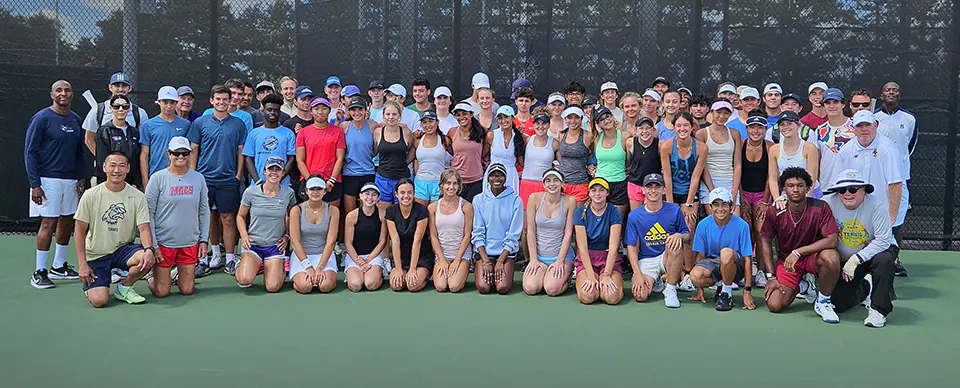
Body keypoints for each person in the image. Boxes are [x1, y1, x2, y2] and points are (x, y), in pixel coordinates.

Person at [759, 167, 842, 323]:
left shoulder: (820, 207)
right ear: (784, 189)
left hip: (812, 258)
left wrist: (798, 252)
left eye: (800, 185)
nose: (795, 190)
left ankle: (823, 302)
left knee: (831, 257)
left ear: (808, 188)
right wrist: (770, 276)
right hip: (788, 262)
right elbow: (765, 239)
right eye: (790, 186)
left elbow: (832, 240)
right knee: (774, 304)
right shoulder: (774, 210)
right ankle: (804, 286)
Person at [74, 152, 155, 307]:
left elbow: (144, 228)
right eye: (112, 165)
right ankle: (96, 285)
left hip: (123, 250)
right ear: (104, 167)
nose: (117, 170)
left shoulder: (138, 196)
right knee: (99, 301)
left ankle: (124, 287)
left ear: (128, 169)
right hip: (96, 254)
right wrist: (82, 264)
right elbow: (79, 231)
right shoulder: (90, 195)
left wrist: (149, 250)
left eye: (121, 166)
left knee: (147, 258)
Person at [25, 80, 85, 289]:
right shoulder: (42, 118)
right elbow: (30, 152)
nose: (63, 93)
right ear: (52, 94)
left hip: (71, 180)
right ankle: (39, 271)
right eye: (58, 90)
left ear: (72, 94)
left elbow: (79, 152)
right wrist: (35, 184)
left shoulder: (75, 119)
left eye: (67, 90)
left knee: (67, 221)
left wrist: (81, 177)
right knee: (48, 223)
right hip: (47, 180)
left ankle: (58, 266)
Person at [822, 169, 898, 327]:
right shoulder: (828, 203)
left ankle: (879, 310)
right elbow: (807, 208)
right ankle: (866, 286)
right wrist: (784, 199)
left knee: (884, 260)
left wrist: (856, 260)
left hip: (875, 253)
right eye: (842, 190)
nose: (847, 194)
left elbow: (883, 240)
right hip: (846, 259)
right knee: (839, 304)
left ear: (863, 190)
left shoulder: (877, 206)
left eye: (852, 189)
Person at [187, 85, 247, 277]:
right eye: (218, 99)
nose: (221, 102)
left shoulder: (238, 124)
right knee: (208, 218)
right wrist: (194, 175)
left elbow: (241, 151)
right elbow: (194, 149)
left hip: (228, 179)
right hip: (204, 179)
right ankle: (207, 259)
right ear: (212, 101)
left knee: (228, 218)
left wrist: (238, 175)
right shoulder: (200, 123)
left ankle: (230, 259)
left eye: (225, 99)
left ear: (230, 101)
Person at [144, 137, 209, 298]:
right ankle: (152, 277)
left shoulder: (198, 178)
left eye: (184, 153)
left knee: (187, 290)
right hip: (164, 241)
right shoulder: (157, 178)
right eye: (176, 153)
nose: (180, 156)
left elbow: (204, 210)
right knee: (162, 292)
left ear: (189, 154)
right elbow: (148, 213)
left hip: (189, 241)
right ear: (169, 154)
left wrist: (203, 240)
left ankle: (175, 276)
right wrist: (154, 245)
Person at [625, 173, 689, 308]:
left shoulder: (674, 210)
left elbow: (687, 236)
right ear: (643, 190)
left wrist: (679, 236)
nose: (653, 190)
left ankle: (670, 289)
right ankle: (656, 281)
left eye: (657, 187)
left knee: (675, 243)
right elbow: (631, 247)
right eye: (649, 187)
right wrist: (637, 273)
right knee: (640, 295)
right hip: (647, 259)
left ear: (664, 190)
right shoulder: (634, 215)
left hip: (667, 256)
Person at [235, 157, 298, 292]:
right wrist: (244, 236)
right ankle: (247, 263)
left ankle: (277, 266)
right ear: (264, 171)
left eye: (277, 170)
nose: (274, 173)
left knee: (272, 287)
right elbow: (240, 216)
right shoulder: (250, 192)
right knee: (244, 280)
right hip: (253, 245)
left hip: (275, 246)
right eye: (270, 169)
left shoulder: (289, 193)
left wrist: (287, 235)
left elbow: (292, 216)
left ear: (283, 173)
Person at [689, 187, 756, 311]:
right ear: (710, 207)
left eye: (724, 204)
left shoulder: (742, 225)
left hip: (736, 265)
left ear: (731, 207)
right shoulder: (703, 225)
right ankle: (721, 285)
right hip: (714, 263)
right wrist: (699, 289)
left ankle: (726, 294)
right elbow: (700, 256)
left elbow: (748, 259)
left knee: (726, 253)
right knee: (695, 276)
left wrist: (747, 291)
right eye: (716, 204)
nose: (720, 209)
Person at [660, 112, 707, 287]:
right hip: (672, 192)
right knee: (670, 231)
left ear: (692, 127)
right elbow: (667, 177)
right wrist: (671, 205)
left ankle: (688, 272)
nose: (682, 129)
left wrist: (688, 204)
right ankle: (671, 271)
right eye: (678, 125)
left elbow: (696, 177)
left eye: (686, 125)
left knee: (688, 230)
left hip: (690, 194)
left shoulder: (701, 148)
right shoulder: (666, 146)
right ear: (674, 127)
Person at [837, 111, 904, 231]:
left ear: (875, 125)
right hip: (857, 215)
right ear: (853, 129)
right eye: (859, 126)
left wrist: (891, 217)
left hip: (884, 213)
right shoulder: (845, 151)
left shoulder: (889, 149)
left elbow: (895, 185)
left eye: (867, 125)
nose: (864, 129)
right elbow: (841, 186)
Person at [874, 81, 916, 274]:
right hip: (877, 178)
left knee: (897, 220)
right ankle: (874, 258)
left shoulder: (909, 119)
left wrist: (898, 164)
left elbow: (910, 145)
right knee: (876, 217)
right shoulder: (874, 118)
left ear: (900, 95)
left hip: (901, 178)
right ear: (881, 95)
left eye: (895, 90)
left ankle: (895, 259)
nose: (891, 92)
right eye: (887, 90)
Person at [471, 164, 524, 294]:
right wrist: (486, 261)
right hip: (485, 253)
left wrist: (500, 261)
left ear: (505, 178)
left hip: (505, 253)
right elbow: (477, 232)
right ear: (488, 178)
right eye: (493, 175)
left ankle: (501, 269)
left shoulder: (516, 200)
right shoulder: (478, 200)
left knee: (502, 288)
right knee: (483, 288)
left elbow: (514, 234)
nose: (497, 178)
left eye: (500, 175)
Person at [522, 169, 576, 296]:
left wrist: (559, 261)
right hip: (539, 257)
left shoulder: (570, 201)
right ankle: (545, 275)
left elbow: (568, 233)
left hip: (561, 257)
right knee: (530, 288)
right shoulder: (534, 198)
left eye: (556, 180)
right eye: (548, 181)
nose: (552, 184)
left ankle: (565, 278)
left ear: (562, 183)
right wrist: (533, 259)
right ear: (543, 184)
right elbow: (530, 231)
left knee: (552, 289)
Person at [572, 178, 624, 305]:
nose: (597, 193)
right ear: (589, 193)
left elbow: (613, 247)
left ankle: (602, 281)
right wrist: (590, 275)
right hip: (587, 258)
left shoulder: (614, 211)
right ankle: (594, 280)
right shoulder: (580, 211)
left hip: (608, 258)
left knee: (612, 297)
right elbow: (582, 248)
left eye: (601, 190)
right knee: (588, 296)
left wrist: (606, 274)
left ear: (607, 193)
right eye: (594, 190)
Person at [289, 175, 340, 294]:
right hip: (302, 256)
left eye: (319, 189)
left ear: (324, 191)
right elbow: (295, 242)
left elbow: (331, 242)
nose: (315, 192)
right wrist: (308, 267)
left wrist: (320, 267)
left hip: (324, 255)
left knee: (325, 286)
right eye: (312, 189)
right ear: (306, 191)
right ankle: (298, 279)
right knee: (305, 287)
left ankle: (327, 277)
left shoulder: (333, 210)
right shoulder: (296, 210)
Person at [739, 113, 772, 288]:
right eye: (752, 127)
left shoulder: (770, 146)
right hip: (744, 193)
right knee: (746, 232)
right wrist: (742, 201)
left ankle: (761, 271)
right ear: (747, 129)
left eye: (760, 127)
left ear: (765, 129)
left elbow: (771, 176)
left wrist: (765, 202)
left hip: (762, 195)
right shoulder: (741, 145)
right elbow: (737, 173)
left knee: (761, 233)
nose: (756, 131)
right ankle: (745, 270)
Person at [428, 169, 473, 293]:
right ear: (441, 185)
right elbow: (433, 236)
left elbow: (467, 235)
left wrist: (457, 260)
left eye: (455, 183)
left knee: (453, 286)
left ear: (459, 186)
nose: (451, 187)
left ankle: (462, 272)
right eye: (448, 183)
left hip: (461, 255)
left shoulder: (466, 206)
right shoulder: (432, 208)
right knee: (441, 286)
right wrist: (442, 259)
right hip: (442, 255)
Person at [82, 72, 149, 155]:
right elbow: (89, 140)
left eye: (124, 86)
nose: (120, 89)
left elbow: (144, 142)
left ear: (130, 88)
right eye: (117, 86)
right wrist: (103, 159)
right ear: (110, 87)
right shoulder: (98, 110)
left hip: (131, 161)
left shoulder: (139, 113)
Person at [386, 179, 434, 292]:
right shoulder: (390, 211)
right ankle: (403, 271)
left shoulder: (422, 210)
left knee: (413, 286)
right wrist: (398, 268)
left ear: (414, 193)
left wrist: (413, 269)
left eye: (409, 192)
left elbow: (417, 241)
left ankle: (425, 275)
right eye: (402, 192)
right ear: (396, 194)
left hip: (421, 255)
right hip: (402, 256)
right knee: (396, 286)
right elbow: (395, 240)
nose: (406, 196)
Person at [695, 100, 742, 217]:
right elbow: (702, 165)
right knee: (716, 220)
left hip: (730, 181)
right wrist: (712, 190)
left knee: (734, 220)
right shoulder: (701, 134)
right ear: (711, 112)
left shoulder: (735, 134)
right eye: (718, 112)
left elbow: (737, 164)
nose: (722, 116)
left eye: (726, 113)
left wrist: (734, 192)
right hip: (709, 182)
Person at [296, 97, 346, 206]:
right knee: (309, 215)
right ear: (311, 111)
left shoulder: (338, 132)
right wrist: (311, 181)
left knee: (332, 214)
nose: (320, 112)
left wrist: (331, 181)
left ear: (329, 111)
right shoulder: (303, 133)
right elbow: (300, 160)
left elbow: (340, 159)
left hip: (331, 181)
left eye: (324, 108)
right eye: (316, 108)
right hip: (309, 181)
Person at [140, 87, 193, 188]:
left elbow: (190, 153)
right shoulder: (148, 125)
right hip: (156, 175)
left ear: (176, 103)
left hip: (180, 177)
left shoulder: (186, 124)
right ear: (159, 102)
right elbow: (144, 155)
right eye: (165, 102)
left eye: (172, 102)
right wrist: (145, 182)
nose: (168, 106)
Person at [242, 94, 297, 188]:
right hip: (258, 186)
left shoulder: (288, 133)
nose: (272, 113)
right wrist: (258, 181)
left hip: (282, 185)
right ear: (263, 111)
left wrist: (278, 179)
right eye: (269, 109)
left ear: (280, 112)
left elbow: (292, 159)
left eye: (276, 110)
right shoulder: (253, 133)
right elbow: (248, 158)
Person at [344, 183, 388, 292]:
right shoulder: (352, 216)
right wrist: (358, 261)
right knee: (355, 285)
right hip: (355, 256)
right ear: (360, 196)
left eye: (374, 195)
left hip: (374, 256)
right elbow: (348, 243)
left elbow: (382, 241)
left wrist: (368, 260)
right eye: (367, 194)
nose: (370, 197)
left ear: (378, 198)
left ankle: (379, 274)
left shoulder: (382, 214)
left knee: (370, 284)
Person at [767, 111, 821, 199]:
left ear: (798, 125)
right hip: (787, 194)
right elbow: (772, 179)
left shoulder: (810, 148)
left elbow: (812, 179)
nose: (786, 127)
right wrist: (777, 199)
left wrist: (803, 200)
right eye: (782, 124)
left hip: (810, 193)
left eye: (789, 123)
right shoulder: (774, 149)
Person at [93, 94, 143, 188]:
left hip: (131, 185)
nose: (121, 109)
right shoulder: (104, 131)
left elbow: (136, 159)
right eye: (116, 106)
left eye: (125, 107)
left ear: (129, 109)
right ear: (111, 108)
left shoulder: (134, 132)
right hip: (110, 183)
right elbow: (102, 161)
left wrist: (136, 183)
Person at [340, 96, 377, 217]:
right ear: (349, 111)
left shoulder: (373, 125)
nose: (357, 113)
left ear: (366, 110)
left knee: (366, 213)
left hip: (368, 173)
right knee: (350, 214)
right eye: (353, 109)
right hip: (349, 174)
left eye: (360, 109)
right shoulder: (344, 126)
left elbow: (376, 149)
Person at [373, 102, 416, 208]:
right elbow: (374, 152)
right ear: (383, 116)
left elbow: (412, 149)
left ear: (399, 116)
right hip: (383, 178)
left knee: (402, 210)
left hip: (402, 178)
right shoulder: (378, 132)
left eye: (394, 114)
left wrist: (404, 163)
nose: (391, 117)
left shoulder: (406, 132)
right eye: (388, 114)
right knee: (383, 211)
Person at [813, 87, 855, 190]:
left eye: (835, 102)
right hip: (827, 187)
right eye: (828, 103)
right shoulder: (819, 131)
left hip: (853, 186)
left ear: (843, 104)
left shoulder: (856, 126)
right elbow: (816, 162)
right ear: (823, 107)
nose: (832, 106)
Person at [593, 107, 631, 217]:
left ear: (612, 116)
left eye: (607, 116)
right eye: (601, 119)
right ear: (598, 124)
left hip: (619, 183)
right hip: (600, 183)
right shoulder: (597, 139)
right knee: (600, 219)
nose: (606, 121)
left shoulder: (625, 136)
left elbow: (629, 161)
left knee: (617, 219)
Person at [448, 102, 488, 201]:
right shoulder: (452, 132)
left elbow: (484, 152)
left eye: (464, 113)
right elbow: (451, 151)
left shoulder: (482, 131)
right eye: (458, 115)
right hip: (457, 179)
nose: (461, 117)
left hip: (476, 180)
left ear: (471, 114)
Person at [519, 113, 560, 207]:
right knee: (525, 213)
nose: (540, 127)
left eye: (544, 123)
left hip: (545, 185)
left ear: (549, 125)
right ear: (533, 125)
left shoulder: (555, 143)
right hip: (526, 183)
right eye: (537, 123)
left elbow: (563, 164)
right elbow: (521, 160)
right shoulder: (527, 140)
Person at [557, 105, 595, 205]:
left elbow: (595, 154)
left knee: (577, 214)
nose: (573, 121)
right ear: (565, 119)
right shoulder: (561, 134)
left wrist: (592, 165)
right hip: (562, 183)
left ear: (581, 119)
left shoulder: (588, 135)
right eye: (569, 117)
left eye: (576, 117)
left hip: (580, 183)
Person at [413, 111, 452, 204]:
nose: (428, 125)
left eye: (431, 121)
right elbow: (412, 159)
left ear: (437, 122)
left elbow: (456, 156)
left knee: (435, 211)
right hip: (421, 183)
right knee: (421, 211)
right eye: (424, 122)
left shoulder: (444, 140)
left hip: (439, 182)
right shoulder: (418, 141)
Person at [484, 106, 525, 193]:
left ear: (513, 118)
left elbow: (521, 162)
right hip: (493, 173)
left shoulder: (519, 137)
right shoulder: (491, 135)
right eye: (500, 118)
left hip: (511, 175)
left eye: (506, 117)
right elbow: (483, 155)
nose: (503, 121)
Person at [626, 117, 659, 210]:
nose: (645, 131)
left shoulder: (660, 145)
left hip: (653, 185)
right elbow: (628, 162)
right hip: (635, 183)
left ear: (653, 130)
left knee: (651, 213)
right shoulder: (630, 143)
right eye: (641, 128)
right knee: (636, 214)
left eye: (648, 128)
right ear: (636, 131)